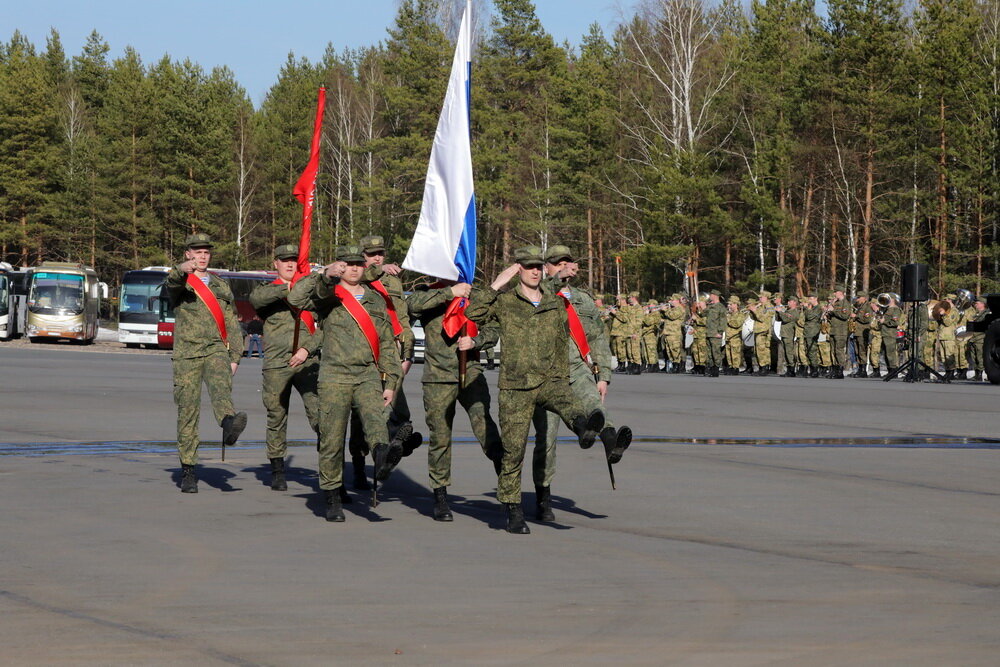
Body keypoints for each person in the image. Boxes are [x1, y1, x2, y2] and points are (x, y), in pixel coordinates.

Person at [466, 247, 605, 535]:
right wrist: (496, 283)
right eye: (528, 266)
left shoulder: (553, 302)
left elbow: (559, 340)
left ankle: (584, 429)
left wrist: (560, 375)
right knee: (513, 451)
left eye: (538, 266)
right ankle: (513, 509)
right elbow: (474, 312)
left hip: (549, 379)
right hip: (516, 386)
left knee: (569, 403)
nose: (534, 271)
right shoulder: (505, 301)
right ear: (518, 269)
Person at [288, 245, 403, 522]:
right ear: (340, 265)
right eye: (347, 263)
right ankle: (332, 497)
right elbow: (296, 298)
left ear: (365, 267)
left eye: (358, 264)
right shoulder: (328, 295)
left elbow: (387, 342)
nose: (353, 268)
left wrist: (391, 382)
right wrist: (325, 275)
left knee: (376, 422)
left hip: (367, 374)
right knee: (332, 438)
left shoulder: (375, 300)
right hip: (334, 376)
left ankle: (383, 457)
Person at [531, 245, 632, 522]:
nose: (563, 267)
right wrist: (554, 280)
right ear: (546, 268)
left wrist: (604, 377)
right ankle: (544, 496)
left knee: (593, 406)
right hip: (545, 374)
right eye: (557, 263)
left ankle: (612, 443)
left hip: (578, 368)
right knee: (546, 439)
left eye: (567, 263)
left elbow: (599, 337)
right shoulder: (536, 294)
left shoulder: (583, 300)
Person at [407, 278, 503, 521]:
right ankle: (440, 495)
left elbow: (493, 326)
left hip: (470, 370)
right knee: (440, 436)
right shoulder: (428, 293)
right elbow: (412, 307)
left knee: (485, 427)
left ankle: (506, 481)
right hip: (438, 375)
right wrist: (450, 292)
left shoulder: (476, 294)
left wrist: (477, 341)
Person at [165, 233, 247, 493]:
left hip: (215, 349)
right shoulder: (181, 280)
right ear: (188, 253)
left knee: (222, 391)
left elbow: (231, 321)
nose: (202, 256)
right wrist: (181, 270)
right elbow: (172, 282)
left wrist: (235, 355)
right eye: (197, 252)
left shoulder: (220, 286)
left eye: (206, 252)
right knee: (188, 412)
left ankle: (228, 425)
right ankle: (188, 470)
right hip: (187, 353)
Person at [347, 234, 421, 490]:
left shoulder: (392, 280)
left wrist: (408, 354)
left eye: (381, 254)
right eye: (371, 254)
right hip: (365, 352)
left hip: (393, 352)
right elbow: (362, 277)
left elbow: (402, 318)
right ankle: (359, 466)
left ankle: (388, 459)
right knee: (361, 416)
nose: (377, 258)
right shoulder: (358, 278)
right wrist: (376, 271)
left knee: (400, 416)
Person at [249, 244, 322, 493]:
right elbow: (257, 300)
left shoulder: (312, 293)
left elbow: (326, 325)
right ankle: (278, 470)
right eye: (285, 261)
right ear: (276, 264)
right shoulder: (267, 291)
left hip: (307, 361)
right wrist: (292, 287)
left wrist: (307, 349)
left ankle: (328, 468)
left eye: (294, 261)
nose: (290, 265)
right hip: (277, 364)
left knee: (321, 416)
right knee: (276, 417)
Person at [826, 285, 851, 379]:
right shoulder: (836, 303)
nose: (834, 294)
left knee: (839, 350)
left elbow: (844, 316)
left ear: (840, 292)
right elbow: (833, 315)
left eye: (836, 292)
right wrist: (828, 312)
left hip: (841, 331)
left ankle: (840, 370)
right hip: (833, 330)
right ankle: (835, 369)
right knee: (833, 351)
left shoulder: (845, 303)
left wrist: (834, 311)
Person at [703, 290, 726, 377]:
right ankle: (711, 368)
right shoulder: (710, 306)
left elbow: (723, 321)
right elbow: (702, 314)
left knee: (716, 352)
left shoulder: (721, 307)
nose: (710, 296)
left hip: (715, 333)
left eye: (711, 295)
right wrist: (703, 307)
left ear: (715, 295)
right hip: (709, 332)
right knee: (709, 353)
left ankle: (716, 370)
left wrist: (720, 332)